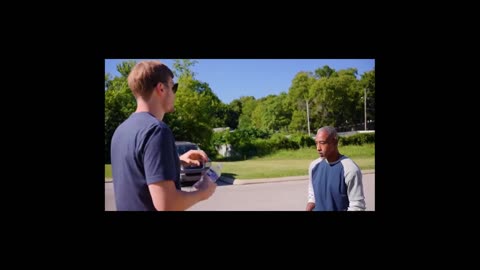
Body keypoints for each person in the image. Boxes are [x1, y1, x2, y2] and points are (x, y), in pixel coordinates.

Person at [110, 60, 216, 211]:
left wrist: (176, 161)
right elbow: (167, 205)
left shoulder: (120, 131)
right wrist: (202, 192)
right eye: (174, 87)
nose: (174, 93)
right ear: (161, 88)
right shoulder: (157, 131)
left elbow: (138, 171)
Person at [306, 126, 366, 211]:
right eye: (316, 143)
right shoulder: (314, 166)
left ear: (335, 142)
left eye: (322, 143)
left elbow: (357, 206)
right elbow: (312, 195)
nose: (318, 148)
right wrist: (310, 204)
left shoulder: (350, 169)